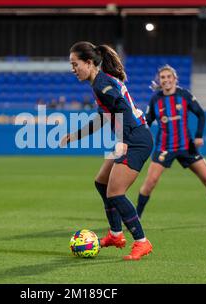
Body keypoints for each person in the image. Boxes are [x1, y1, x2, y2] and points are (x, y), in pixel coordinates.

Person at [61, 41, 154, 261]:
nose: (73, 69)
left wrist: (123, 141)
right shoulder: (99, 83)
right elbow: (104, 117)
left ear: (90, 63)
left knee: (115, 192)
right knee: (101, 182)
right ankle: (115, 234)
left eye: (76, 64)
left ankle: (142, 242)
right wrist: (75, 135)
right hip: (131, 136)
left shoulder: (102, 85)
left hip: (136, 140)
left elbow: (122, 109)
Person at [136, 65, 206, 225]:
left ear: (174, 79)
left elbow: (201, 114)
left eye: (168, 77)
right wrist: (138, 133)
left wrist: (199, 136)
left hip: (187, 146)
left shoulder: (184, 95)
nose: (166, 80)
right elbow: (148, 122)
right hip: (164, 147)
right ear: (159, 81)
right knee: (150, 182)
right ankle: (136, 218)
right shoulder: (155, 99)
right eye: (163, 77)